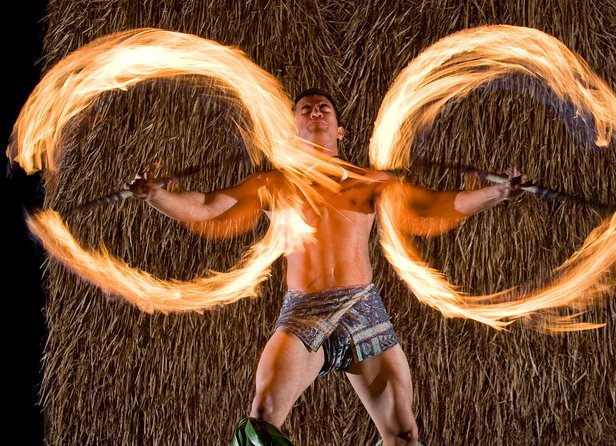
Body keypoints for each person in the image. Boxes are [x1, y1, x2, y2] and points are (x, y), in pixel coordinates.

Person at [129, 88, 523, 445]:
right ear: (293, 129)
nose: (315, 112)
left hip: (362, 308)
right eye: (305, 109)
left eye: (324, 109)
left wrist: (497, 192)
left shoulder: (371, 182)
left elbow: (436, 205)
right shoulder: (274, 183)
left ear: (340, 131)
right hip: (305, 310)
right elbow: (203, 207)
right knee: (261, 419)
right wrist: (156, 197)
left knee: (403, 434)